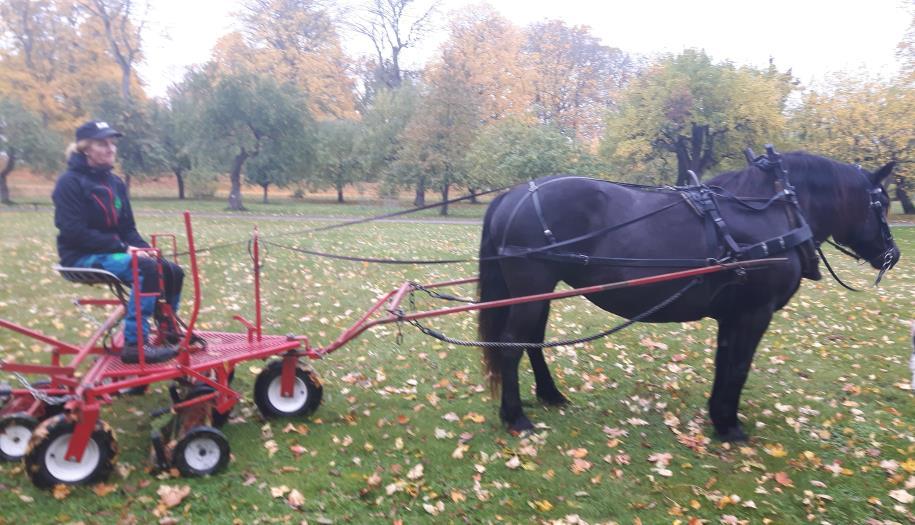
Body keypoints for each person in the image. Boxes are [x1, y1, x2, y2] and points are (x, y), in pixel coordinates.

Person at [52, 120, 183, 364]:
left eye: (112, 143)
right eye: (102, 144)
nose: (111, 149)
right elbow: (74, 232)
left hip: (112, 253)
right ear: (85, 149)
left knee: (171, 270)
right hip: (80, 256)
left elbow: (127, 229)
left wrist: (146, 249)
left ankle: (168, 331)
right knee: (143, 268)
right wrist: (123, 248)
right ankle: (135, 345)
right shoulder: (69, 183)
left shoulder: (116, 183)